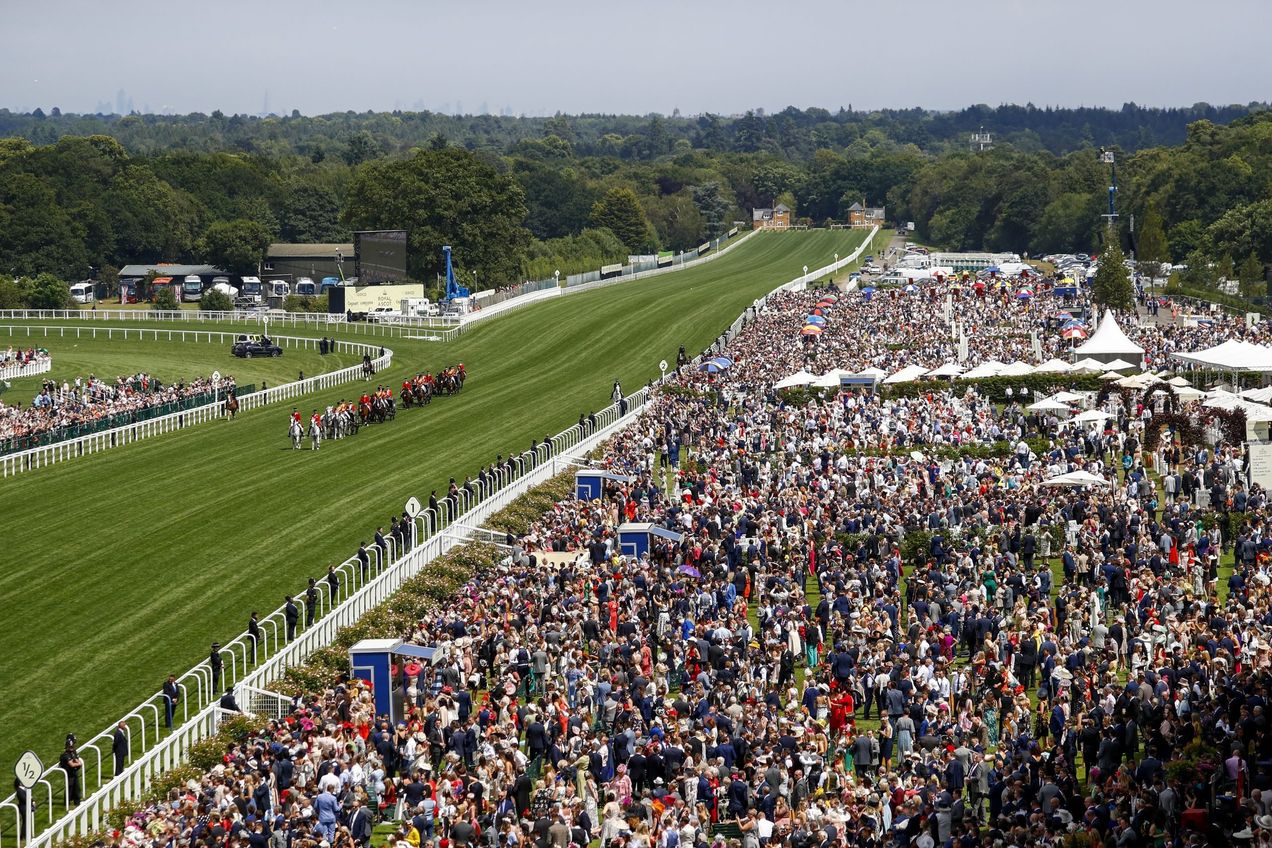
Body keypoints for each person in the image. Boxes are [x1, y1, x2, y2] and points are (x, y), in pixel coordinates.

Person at [60, 736, 82, 807]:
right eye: (70, 747)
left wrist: (76, 762)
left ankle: (77, 802)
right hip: (69, 774)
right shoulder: (65, 755)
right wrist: (77, 763)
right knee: (69, 789)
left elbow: (78, 762)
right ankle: (66, 803)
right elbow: (72, 764)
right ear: (67, 747)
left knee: (77, 788)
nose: (72, 748)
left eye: (72, 747)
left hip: (74, 773)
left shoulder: (73, 753)